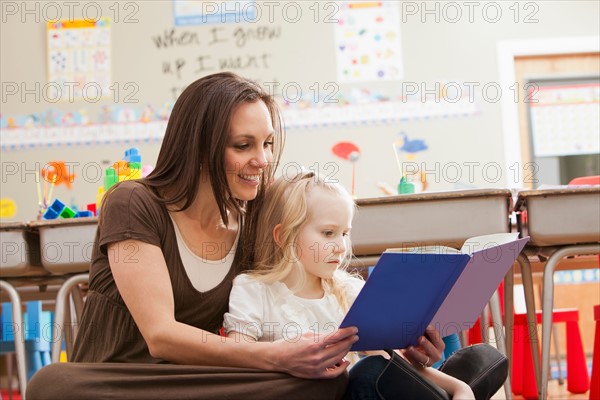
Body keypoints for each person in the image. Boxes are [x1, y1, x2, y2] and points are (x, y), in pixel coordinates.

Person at [26, 72, 444, 400]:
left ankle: (410, 385)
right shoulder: (135, 203)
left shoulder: (256, 214)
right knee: (52, 385)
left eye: (266, 143)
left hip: (210, 383)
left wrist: (397, 341)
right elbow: (161, 336)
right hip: (125, 383)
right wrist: (276, 356)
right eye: (243, 145)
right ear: (199, 146)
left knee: (320, 383)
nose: (261, 160)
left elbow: (311, 276)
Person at [223, 171, 475, 400]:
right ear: (283, 236)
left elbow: (390, 359)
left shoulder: (347, 291)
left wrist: (459, 387)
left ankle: (455, 389)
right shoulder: (254, 289)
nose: (342, 247)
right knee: (370, 372)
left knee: (479, 359)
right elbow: (238, 357)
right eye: (328, 233)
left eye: (344, 233)